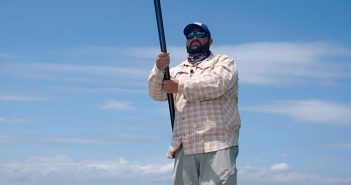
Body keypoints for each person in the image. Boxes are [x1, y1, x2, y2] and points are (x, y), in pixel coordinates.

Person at [148, 22, 241, 185]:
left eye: (200, 35)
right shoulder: (175, 71)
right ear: (186, 42)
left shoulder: (224, 62)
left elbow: (217, 84)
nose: (195, 38)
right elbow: (156, 94)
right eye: (190, 36)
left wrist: (180, 86)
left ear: (210, 40)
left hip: (218, 142)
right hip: (185, 146)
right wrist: (158, 69)